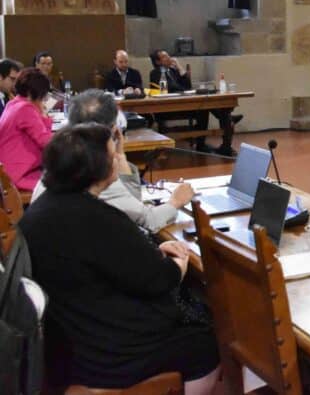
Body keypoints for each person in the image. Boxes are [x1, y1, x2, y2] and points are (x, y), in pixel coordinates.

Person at [18, 124, 220, 391]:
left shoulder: (39, 211)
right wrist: (178, 265)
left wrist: (153, 253)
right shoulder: (98, 218)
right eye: (113, 154)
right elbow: (159, 280)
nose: (117, 158)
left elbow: (107, 262)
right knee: (205, 343)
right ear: (96, 168)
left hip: (64, 344)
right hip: (107, 354)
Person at [30, 89, 193, 233]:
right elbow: (148, 221)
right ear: (114, 129)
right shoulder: (95, 171)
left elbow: (131, 206)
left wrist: (120, 156)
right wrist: (175, 201)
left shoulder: (60, 160)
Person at [149, 49, 236, 156]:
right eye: (164, 57)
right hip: (169, 108)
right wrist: (182, 89)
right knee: (214, 110)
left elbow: (187, 86)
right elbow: (171, 88)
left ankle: (203, 144)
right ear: (158, 62)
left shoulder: (173, 71)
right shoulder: (155, 73)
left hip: (184, 104)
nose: (169, 58)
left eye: (168, 56)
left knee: (204, 107)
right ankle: (225, 116)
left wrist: (179, 67)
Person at [0, 67, 53, 190]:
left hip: (9, 171)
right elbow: (46, 142)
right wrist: (44, 115)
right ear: (31, 92)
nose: (43, 99)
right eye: (42, 94)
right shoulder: (25, 108)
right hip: (18, 175)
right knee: (65, 185)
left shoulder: (13, 103)